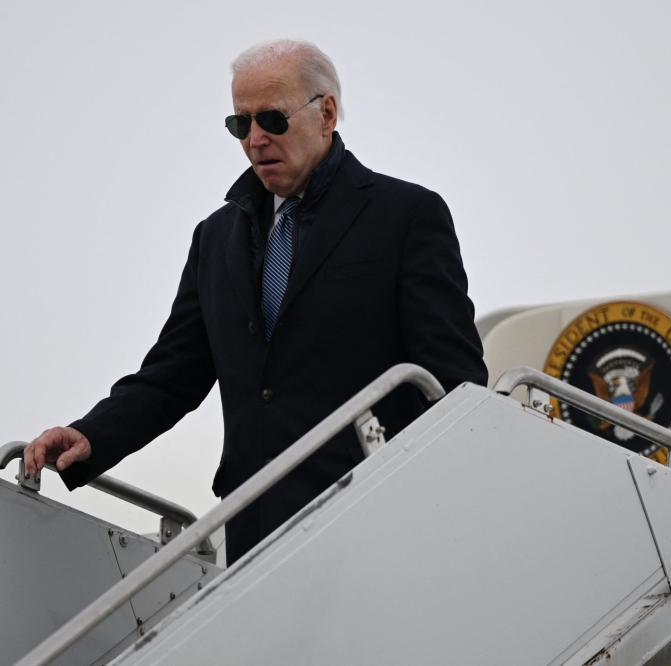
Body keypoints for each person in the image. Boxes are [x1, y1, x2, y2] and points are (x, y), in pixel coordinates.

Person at [23, 39, 488, 565]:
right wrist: (90, 434)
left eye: (271, 118)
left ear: (326, 113)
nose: (255, 139)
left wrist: (447, 510)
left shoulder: (406, 215)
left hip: (376, 519)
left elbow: (453, 381)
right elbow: (172, 376)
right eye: (240, 124)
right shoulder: (215, 238)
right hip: (253, 528)